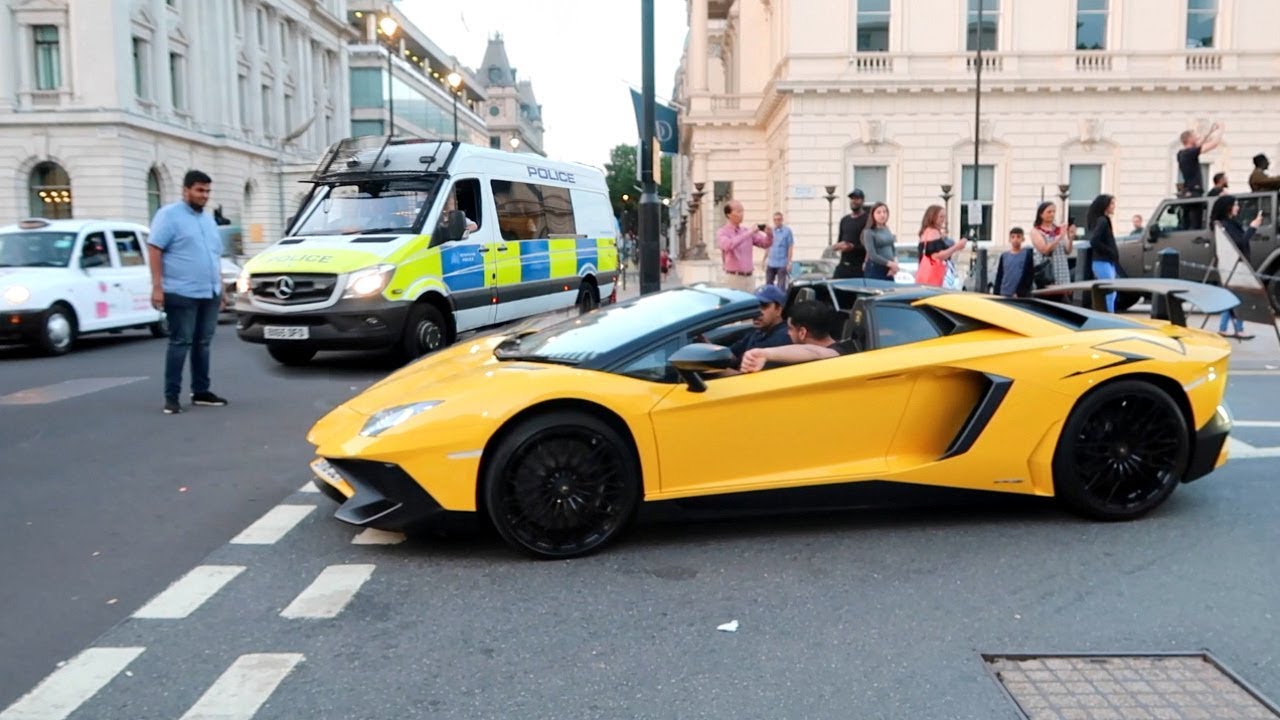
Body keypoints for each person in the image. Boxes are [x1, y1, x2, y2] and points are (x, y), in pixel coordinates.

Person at [148, 170, 229, 415]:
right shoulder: (169, 215)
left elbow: (214, 256)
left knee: (203, 343)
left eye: (207, 191)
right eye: (199, 190)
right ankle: (171, 397)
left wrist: (221, 288)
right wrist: (157, 287)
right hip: (181, 291)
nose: (204, 195)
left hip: (209, 291)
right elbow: (155, 249)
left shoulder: (208, 220)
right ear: (186, 190)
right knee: (180, 342)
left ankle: (201, 391)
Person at [739, 301, 853, 372]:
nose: (787, 333)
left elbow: (814, 352)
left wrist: (765, 354)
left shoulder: (838, 354)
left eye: (790, 328)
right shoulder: (845, 347)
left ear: (802, 332)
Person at [1210, 194, 1262, 340]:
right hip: (1235, 265)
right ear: (1228, 208)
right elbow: (1239, 243)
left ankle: (1223, 328)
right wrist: (1252, 228)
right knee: (1240, 297)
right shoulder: (1226, 225)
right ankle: (1238, 329)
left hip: (1234, 264)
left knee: (1233, 297)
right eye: (1236, 205)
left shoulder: (1228, 224)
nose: (1238, 208)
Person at [717, 200, 773, 291]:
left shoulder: (746, 231)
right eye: (738, 211)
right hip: (733, 278)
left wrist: (769, 234)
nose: (742, 214)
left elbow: (765, 244)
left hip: (749, 277)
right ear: (729, 214)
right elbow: (728, 245)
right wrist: (749, 232)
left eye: (742, 211)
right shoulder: (723, 232)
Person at [1084, 194, 1120, 313]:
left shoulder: (1102, 220)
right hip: (1102, 261)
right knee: (1109, 292)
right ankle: (1109, 315)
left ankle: (1108, 313)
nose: (1113, 206)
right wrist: (1109, 251)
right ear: (1105, 205)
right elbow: (1094, 241)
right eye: (1111, 204)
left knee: (1110, 291)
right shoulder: (1102, 221)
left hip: (1106, 261)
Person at [915, 205, 966, 286]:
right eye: (941, 217)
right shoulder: (933, 232)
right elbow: (937, 256)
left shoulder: (925, 232)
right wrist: (956, 247)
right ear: (933, 217)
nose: (943, 220)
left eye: (944, 217)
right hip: (933, 275)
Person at [1029, 201, 1075, 287]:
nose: (1052, 214)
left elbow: (1068, 250)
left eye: (1053, 211)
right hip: (1047, 269)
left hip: (1061, 267)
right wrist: (1059, 237)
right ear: (1041, 214)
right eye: (1049, 212)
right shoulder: (1036, 231)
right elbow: (1045, 250)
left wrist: (1071, 238)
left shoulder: (1059, 229)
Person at [1177, 123, 1223, 197]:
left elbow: (1198, 146)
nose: (1197, 138)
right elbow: (1214, 144)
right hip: (1194, 191)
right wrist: (1221, 129)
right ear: (1190, 139)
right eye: (1194, 136)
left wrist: (1210, 132)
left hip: (1189, 189)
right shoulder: (1190, 153)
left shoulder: (1181, 153)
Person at [832, 190, 868, 279]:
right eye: (852, 199)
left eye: (857, 199)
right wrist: (837, 246)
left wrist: (852, 247)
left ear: (863, 201)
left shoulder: (868, 219)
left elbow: (869, 245)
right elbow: (840, 240)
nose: (854, 201)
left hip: (859, 267)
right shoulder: (844, 220)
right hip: (844, 265)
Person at [860, 203, 899, 281]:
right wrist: (890, 264)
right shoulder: (868, 232)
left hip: (889, 268)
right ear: (873, 215)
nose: (882, 215)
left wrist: (895, 263)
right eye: (879, 212)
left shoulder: (886, 228)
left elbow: (892, 247)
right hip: (876, 268)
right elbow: (872, 255)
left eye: (885, 212)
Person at [994, 227, 1035, 298]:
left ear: (1023, 239)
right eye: (1013, 237)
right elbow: (1000, 275)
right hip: (1004, 292)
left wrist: (1020, 292)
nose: (1015, 239)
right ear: (1009, 239)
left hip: (1019, 295)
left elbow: (1029, 276)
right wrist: (996, 293)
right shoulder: (1004, 256)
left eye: (1018, 237)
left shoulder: (1027, 255)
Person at [765, 212, 794, 290]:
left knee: (781, 286)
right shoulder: (771, 231)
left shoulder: (787, 231)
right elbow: (767, 245)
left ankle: (780, 298)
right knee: (768, 286)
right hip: (771, 263)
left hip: (782, 263)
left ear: (782, 220)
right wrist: (764, 259)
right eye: (775, 220)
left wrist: (789, 262)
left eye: (779, 219)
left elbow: (790, 247)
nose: (777, 221)